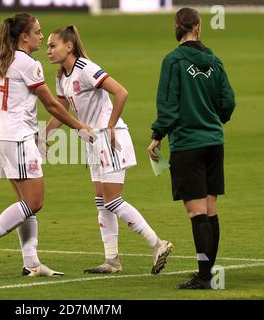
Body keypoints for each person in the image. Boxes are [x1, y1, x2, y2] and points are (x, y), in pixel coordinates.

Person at [0, 13, 94, 277]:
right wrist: (79, 126)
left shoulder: (7, 58)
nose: (41, 36)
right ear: (23, 36)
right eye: (37, 32)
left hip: (2, 138)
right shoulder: (28, 64)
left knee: (24, 202)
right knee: (34, 202)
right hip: (18, 139)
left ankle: (32, 262)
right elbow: (50, 104)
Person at [45, 25, 173, 275]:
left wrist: (111, 124)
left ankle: (158, 244)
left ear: (68, 46)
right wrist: (45, 137)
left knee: (112, 200)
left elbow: (121, 92)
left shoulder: (85, 68)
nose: (47, 50)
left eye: (52, 45)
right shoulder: (61, 76)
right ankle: (112, 260)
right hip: (93, 141)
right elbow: (61, 110)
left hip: (110, 139)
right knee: (101, 202)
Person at [148, 8, 236, 289]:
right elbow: (228, 101)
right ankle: (208, 274)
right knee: (210, 210)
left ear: (177, 27)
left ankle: (204, 277)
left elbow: (168, 104)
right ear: (198, 27)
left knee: (197, 213)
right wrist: (214, 120)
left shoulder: (173, 61)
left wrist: (157, 134)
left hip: (187, 145)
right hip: (214, 142)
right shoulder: (214, 59)